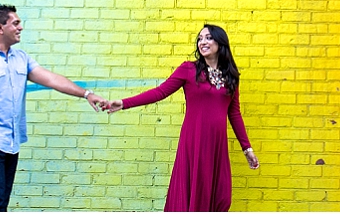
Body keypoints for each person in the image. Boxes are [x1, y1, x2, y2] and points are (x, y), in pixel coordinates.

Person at [0, 5, 106, 212]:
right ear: (0, 27)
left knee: (0, 204)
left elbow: (52, 79)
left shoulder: (21, 58)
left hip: (11, 142)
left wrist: (87, 94)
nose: (21, 27)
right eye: (15, 23)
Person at [105, 24, 258, 212]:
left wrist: (247, 148)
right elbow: (160, 92)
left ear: (220, 42)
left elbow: (234, 113)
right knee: (194, 193)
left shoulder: (231, 76)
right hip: (194, 140)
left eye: (208, 38)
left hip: (217, 145)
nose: (203, 42)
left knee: (222, 197)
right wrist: (124, 103)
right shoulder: (189, 69)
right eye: (200, 38)